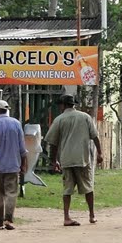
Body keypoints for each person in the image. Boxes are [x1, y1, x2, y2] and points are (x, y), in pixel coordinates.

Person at [44, 93, 103, 226]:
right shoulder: (85, 117)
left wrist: (54, 161)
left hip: (66, 159)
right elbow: (95, 136)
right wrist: (100, 153)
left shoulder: (59, 119)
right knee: (88, 187)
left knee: (67, 189)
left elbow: (52, 143)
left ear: (63, 105)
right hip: (83, 158)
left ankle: (66, 217)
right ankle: (92, 215)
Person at [0, 100, 26, 231]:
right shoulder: (16, 124)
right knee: (11, 193)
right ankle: (8, 219)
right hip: (13, 165)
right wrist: (23, 164)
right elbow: (22, 148)